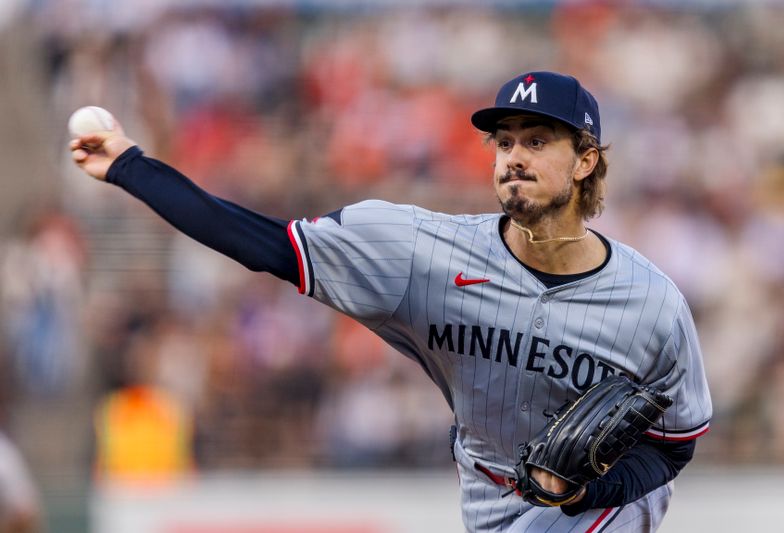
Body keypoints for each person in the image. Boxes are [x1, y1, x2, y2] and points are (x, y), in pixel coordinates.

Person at [70, 71, 712, 533]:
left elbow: (676, 441)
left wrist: (593, 488)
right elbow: (261, 243)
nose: (513, 156)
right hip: (489, 502)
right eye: (504, 141)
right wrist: (131, 166)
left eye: (538, 140)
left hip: (604, 511)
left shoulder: (650, 305)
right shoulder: (420, 254)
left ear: (585, 161)